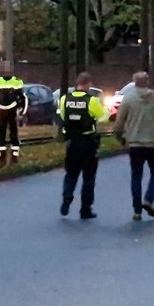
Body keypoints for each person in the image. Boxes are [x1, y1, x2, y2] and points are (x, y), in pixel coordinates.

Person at [113, 71, 154, 221]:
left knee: (136, 177)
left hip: (135, 144)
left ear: (134, 82)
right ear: (148, 82)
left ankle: (137, 211)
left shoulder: (128, 99)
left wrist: (122, 139)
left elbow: (118, 124)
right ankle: (149, 199)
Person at [57, 71, 106, 219]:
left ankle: (67, 196)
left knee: (71, 174)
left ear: (77, 84)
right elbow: (103, 117)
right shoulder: (92, 100)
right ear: (89, 84)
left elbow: (62, 117)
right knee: (88, 178)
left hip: (72, 143)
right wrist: (106, 110)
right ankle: (85, 209)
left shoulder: (65, 99)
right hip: (88, 142)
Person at [0, 66, 26, 167]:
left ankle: (14, 157)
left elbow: (22, 98)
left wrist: (22, 111)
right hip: (1, 112)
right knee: (0, 135)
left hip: (12, 111)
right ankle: (2, 158)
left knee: (13, 134)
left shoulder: (17, 82)